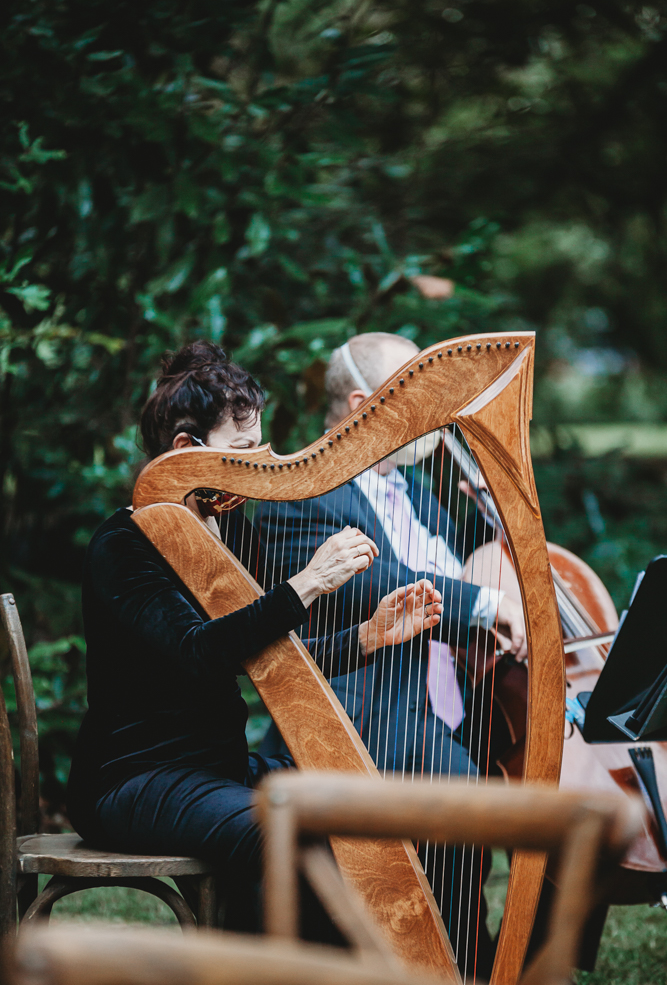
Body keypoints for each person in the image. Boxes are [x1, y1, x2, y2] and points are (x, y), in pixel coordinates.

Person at [66, 340, 442, 941]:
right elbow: (200, 651)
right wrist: (309, 582)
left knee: (371, 812)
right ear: (187, 451)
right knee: (289, 835)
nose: (260, 467)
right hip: (137, 779)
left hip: (220, 768)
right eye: (243, 452)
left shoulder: (229, 528)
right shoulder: (125, 543)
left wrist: (366, 638)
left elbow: (268, 659)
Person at [256, 332, 528, 977]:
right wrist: (488, 605)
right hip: (359, 713)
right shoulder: (307, 492)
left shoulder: (414, 490)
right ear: (365, 403)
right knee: (468, 796)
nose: (437, 418)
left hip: (427, 707)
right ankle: (455, 960)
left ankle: (464, 958)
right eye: (421, 398)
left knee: (473, 807)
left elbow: (440, 576)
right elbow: (380, 586)